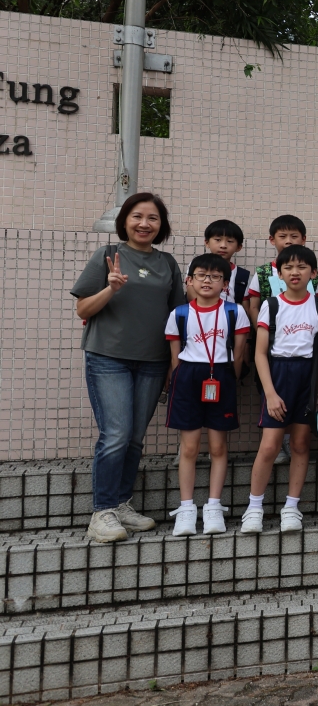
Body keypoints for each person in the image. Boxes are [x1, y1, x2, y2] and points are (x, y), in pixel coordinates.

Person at [72, 193, 187, 543]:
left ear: (161, 225)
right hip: (108, 357)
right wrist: (110, 289)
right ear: (124, 220)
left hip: (153, 361)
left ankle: (121, 504)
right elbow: (83, 310)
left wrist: (174, 363)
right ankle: (102, 511)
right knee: (116, 434)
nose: (144, 224)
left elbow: (176, 317)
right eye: (137, 216)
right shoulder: (107, 255)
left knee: (135, 437)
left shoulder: (167, 263)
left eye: (153, 218)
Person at [242, 244, 318, 534]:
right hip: (278, 376)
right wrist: (270, 393)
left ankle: (292, 507)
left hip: (308, 377)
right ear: (279, 274)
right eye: (288, 267)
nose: (295, 272)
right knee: (270, 445)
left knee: (300, 444)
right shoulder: (271, 305)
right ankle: (254, 508)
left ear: (313, 273)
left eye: (302, 267)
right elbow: (259, 354)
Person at [164, 254, 251, 536]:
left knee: (218, 447)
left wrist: (228, 377)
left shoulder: (234, 312)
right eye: (201, 275)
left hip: (221, 375)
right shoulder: (179, 313)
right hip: (188, 377)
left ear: (225, 284)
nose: (207, 281)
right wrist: (179, 379)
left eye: (215, 277)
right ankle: (186, 509)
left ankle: (213, 507)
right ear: (189, 280)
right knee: (189, 448)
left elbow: (239, 353)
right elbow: (174, 357)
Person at [245, 214, 315, 465]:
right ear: (272, 239)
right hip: (271, 343)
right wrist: (265, 329)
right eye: (282, 236)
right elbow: (252, 305)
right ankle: (277, 441)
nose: (288, 241)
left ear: (303, 239)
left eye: (294, 236)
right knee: (270, 393)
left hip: (302, 346)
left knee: (300, 399)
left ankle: (290, 441)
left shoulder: (311, 271)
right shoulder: (263, 272)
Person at [187, 219, 249, 305]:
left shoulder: (242, 275)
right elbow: (191, 295)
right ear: (207, 243)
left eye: (230, 241)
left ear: (238, 247)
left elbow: (245, 305)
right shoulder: (197, 266)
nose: (223, 245)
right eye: (218, 240)